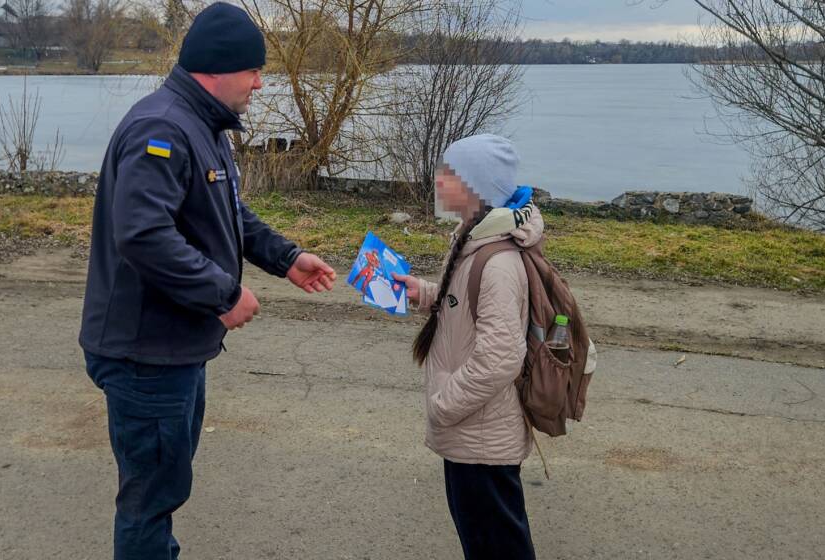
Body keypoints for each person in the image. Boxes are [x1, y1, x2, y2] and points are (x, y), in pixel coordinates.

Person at [78, 3, 336, 559]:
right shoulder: (162, 127)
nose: (261, 83)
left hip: (174, 348)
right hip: (144, 352)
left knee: (163, 489)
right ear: (218, 68)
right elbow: (142, 234)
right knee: (150, 499)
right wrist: (222, 293)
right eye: (253, 70)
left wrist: (286, 257)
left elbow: (227, 214)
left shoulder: (204, 126)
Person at [393, 134, 544, 560]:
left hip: (480, 436)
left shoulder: (497, 262)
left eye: (451, 175)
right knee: (486, 542)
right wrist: (423, 293)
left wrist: (444, 405)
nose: (440, 182)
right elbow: (463, 304)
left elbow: (500, 359)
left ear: (477, 188)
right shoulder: (474, 237)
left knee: (497, 547)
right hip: (472, 432)